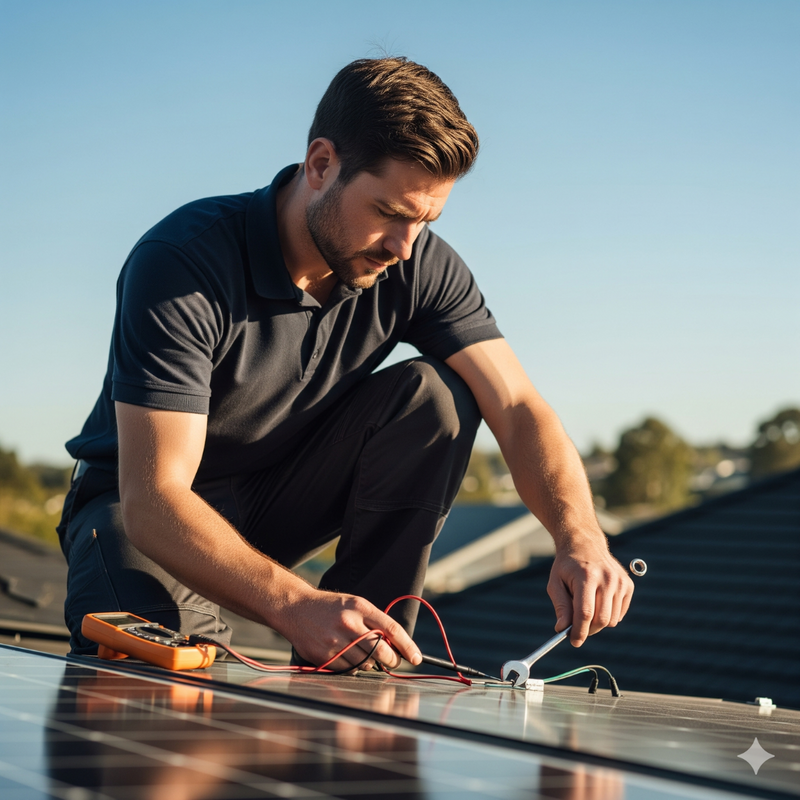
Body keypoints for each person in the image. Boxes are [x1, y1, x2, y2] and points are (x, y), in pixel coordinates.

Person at [58, 57, 633, 672]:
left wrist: (580, 535)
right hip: (147, 524)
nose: (405, 246)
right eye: (389, 212)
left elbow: (518, 408)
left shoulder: (415, 264)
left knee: (435, 397)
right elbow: (154, 496)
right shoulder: (184, 263)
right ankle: (306, 626)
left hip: (278, 500)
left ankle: (367, 646)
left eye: (426, 220)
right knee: (176, 693)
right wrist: (293, 602)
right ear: (321, 165)